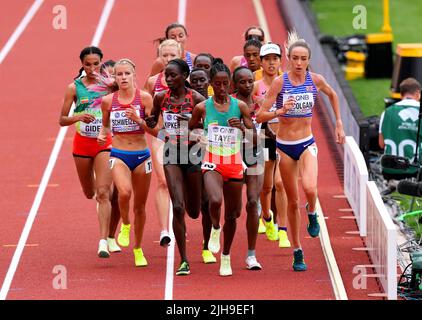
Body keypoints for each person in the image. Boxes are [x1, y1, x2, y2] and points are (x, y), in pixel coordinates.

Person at [256, 31, 345, 271]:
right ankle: (297, 251)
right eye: (294, 58)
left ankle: (313, 211)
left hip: (306, 142)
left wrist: (338, 122)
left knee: (310, 188)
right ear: (289, 59)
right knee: (292, 201)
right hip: (284, 146)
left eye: (303, 58)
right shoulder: (279, 82)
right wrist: (279, 111)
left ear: (308, 60)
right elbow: (260, 115)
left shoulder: (315, 80)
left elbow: (333, 94)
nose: (298, 63)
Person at [189, 60, 256, 276]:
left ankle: (225, 256)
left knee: (233, 215)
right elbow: (190, 130)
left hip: (234, 163)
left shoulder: (241, 106)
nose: (221, 88)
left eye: (225, 84)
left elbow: (256, 138)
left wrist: (242, 129)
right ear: (210, 84)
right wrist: (198, 136)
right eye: (217, 84)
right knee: (215, 200)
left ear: (230, 84)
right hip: (212, 161)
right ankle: (215, 228)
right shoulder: (202, 107)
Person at [146, 59, 213, 275]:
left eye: (173, 75)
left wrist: (193, 123)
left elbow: (211, 127)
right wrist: (149, 121)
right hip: (171, 153)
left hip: (194, 154)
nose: (168, 79)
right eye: (166, 75)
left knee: (196, 209)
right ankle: (183, 260)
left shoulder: (197, 99)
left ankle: (207, 244)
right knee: (177, 207)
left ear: (185, 76)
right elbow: (154, 118)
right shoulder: (160, 97)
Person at [59, 46, 121, 259]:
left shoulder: (110, 86)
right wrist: (78, 117)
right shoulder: (74, 88)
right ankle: (100, 193)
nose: (93, 68)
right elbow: (62, 120)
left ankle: (103, 240)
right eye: (88, 64)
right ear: (82, 65)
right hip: (82, 146)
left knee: (103, 193)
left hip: (104, 143)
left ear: (102, 63)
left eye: (96, 64)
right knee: (90, 193)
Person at [98, 58, 155, 267]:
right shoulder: (108, 101)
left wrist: (138, 120)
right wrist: (102, 136)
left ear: (134, 75)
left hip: (141, 155)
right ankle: (125, 225)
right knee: (124, 192)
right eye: (119, 74)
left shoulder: (146, 99)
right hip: (119, 154)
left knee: (140, 206)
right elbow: (105, 127)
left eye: (126, 74)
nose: (123, 77)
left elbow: (154, 130)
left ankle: (138, 249)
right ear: (115, 77)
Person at [145, 39, 182, 247]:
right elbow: (144, 104)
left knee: (182, 185)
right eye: (164, 55)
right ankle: (164, 231)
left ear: (180, 54)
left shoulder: (189, 81)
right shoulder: (153, 82)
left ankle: (179, 223)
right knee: (163, 182)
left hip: (185, 140)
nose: (168, 59)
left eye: (172, 55)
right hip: (161, 137)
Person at [253, 43, 290, 248]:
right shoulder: (256, 86)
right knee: (266, 187)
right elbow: (254, 114)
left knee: (280, 183)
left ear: (279, 61)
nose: (271, 63)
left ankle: (282, 229)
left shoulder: (286, 82)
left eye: (275, 59)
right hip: (265, 138)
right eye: (267, 59)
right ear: (261, 62)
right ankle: (266, 217)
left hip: (284, 139)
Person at [232, 66, 264, 270]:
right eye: (242, 82)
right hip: (231, 156)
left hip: (255, 155)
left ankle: (251, 255)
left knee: (252, 202)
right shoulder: (228, 104)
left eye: (250, 81)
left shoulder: (260, 105)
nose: (247, 85)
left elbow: (265, 134)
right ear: (235, 84)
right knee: (233, 210)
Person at [379, 77, 422, 179]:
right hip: (416, 172)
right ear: (417, 93)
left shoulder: (387, 112)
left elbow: (381, 144)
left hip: (390, 171)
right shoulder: (420, 110)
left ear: (401, 94)